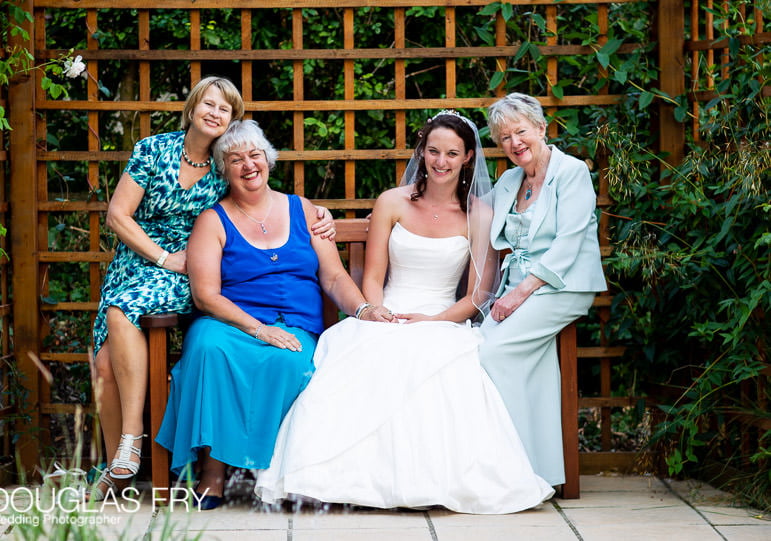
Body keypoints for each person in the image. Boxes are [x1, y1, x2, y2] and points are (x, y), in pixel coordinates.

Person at [255, 111, 555, 514]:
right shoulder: (392, 202)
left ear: (468, 157)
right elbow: (374, 276)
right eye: (433, 151)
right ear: (422, 153)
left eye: (452, 153)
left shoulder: (479, 215)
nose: (441, 161)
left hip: (444, 318)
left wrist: (433, 322)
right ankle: (343, 478)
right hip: (388, 312)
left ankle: (428, 481)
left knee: (441, 360)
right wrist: (378, 313)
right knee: (367, 351)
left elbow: (478, 294)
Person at [89, 77, 335, 500]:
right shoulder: (153, 150)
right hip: (141, 264)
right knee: (106, 362)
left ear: (232, 121)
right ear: (192, 106)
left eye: (226, 109)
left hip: (191, 272)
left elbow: (260, 196)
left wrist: (320, 213)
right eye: (209, 103)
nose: (215, 113)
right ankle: (121, 462)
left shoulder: (226, 169)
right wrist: (163, 257)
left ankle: (129, 448)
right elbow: (117, 215)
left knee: (118, 316)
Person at [154, 119, 393, 511]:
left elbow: (333, 276)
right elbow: (206, 294)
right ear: (222, 169)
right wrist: (258, 328)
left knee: (289, 361)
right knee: (207, 348)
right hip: (230, 323)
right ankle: (213, 471)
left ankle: (271, 472)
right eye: (235, 159)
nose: (248, 165)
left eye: (254, 154)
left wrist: (364, 309)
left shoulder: (307, 211)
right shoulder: (212, 221)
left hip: (296, 325)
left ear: (268, 158)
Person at [478, 93, 607, 488]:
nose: (515, 143)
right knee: (472, 352)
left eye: (521, 132)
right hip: (514, 288)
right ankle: (538, 470)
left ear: (541, 128)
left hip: (560, 285)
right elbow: (469, 214)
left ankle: (512, 468)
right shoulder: (508, 180)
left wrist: (519, 294)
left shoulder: (570, 172)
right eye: (504, 138)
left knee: (493, 352)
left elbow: (568, 242)